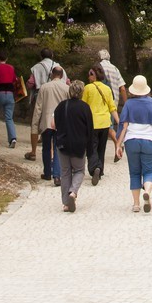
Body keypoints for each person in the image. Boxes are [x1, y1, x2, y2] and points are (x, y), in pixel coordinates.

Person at [114, 74, 152, 213]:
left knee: (134, 172)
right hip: (150, 140)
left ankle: (136, 204)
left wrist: (118, 145)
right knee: (149, 170)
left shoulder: (129, 104)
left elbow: (123, 125)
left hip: (132, 141)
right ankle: (147, 191)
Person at [53, 79, 94, 212]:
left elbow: (54, 125)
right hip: (78, 144)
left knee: (65, 172)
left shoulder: (61, 106)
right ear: (82, 92)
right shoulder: (85, 107)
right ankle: (73, 192)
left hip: (63, 143)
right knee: (79, 170)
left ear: (70, 91)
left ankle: (66, 203)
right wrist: (90, 148)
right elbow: (90, 129)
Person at [82, 64, 119, 184]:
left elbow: (83, 106)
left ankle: (94, 168)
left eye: (90, 74)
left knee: (91, 148)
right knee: (101, 148)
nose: (88, 76)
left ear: (94, 75)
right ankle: (100, 169)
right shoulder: (107, 89)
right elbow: (112, 107)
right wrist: (119, 121)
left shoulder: (88, 88)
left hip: (92, 123)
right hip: (105, 123)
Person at [32, 63, 69, 182]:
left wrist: (35, 125)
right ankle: (57, 175)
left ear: (52, 75)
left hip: (47, 122)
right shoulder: (67, 88)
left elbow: (38, 107)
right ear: (62, 75)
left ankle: (47, 172)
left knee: (46, 148)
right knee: (59, 148)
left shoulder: (44, 87)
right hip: (61, 123)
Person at [23, 49, 59, 160]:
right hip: (55, 96)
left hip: (39, 95)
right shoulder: (58, 66)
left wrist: (26, 84)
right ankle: (53, 152)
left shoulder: (36, 67)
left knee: (35, 122)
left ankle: (33, 152)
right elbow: (66, 81)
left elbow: (31, 83)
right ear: (52, 55)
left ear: (41, 56)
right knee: (53, 122)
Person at [0, 49, 19, 148]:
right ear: (7, 58)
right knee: (9, 118)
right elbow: (15, 79)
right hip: (10, 94)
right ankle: (12, 138)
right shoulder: (11, 68)